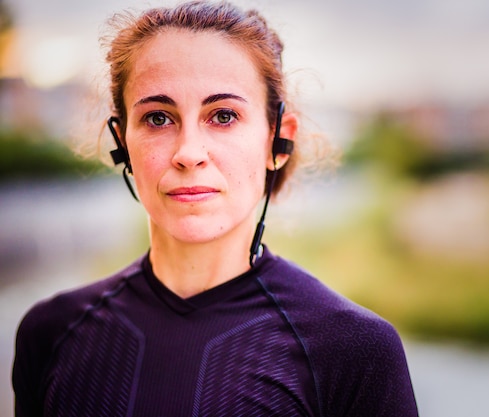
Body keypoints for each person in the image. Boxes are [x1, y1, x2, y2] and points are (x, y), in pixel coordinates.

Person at [12, 1, 419, 416]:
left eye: (223, 116)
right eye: (157, 118)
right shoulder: (51, 334)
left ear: (278, 140)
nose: (189, 153)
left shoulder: (353, 351)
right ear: (122, 142)